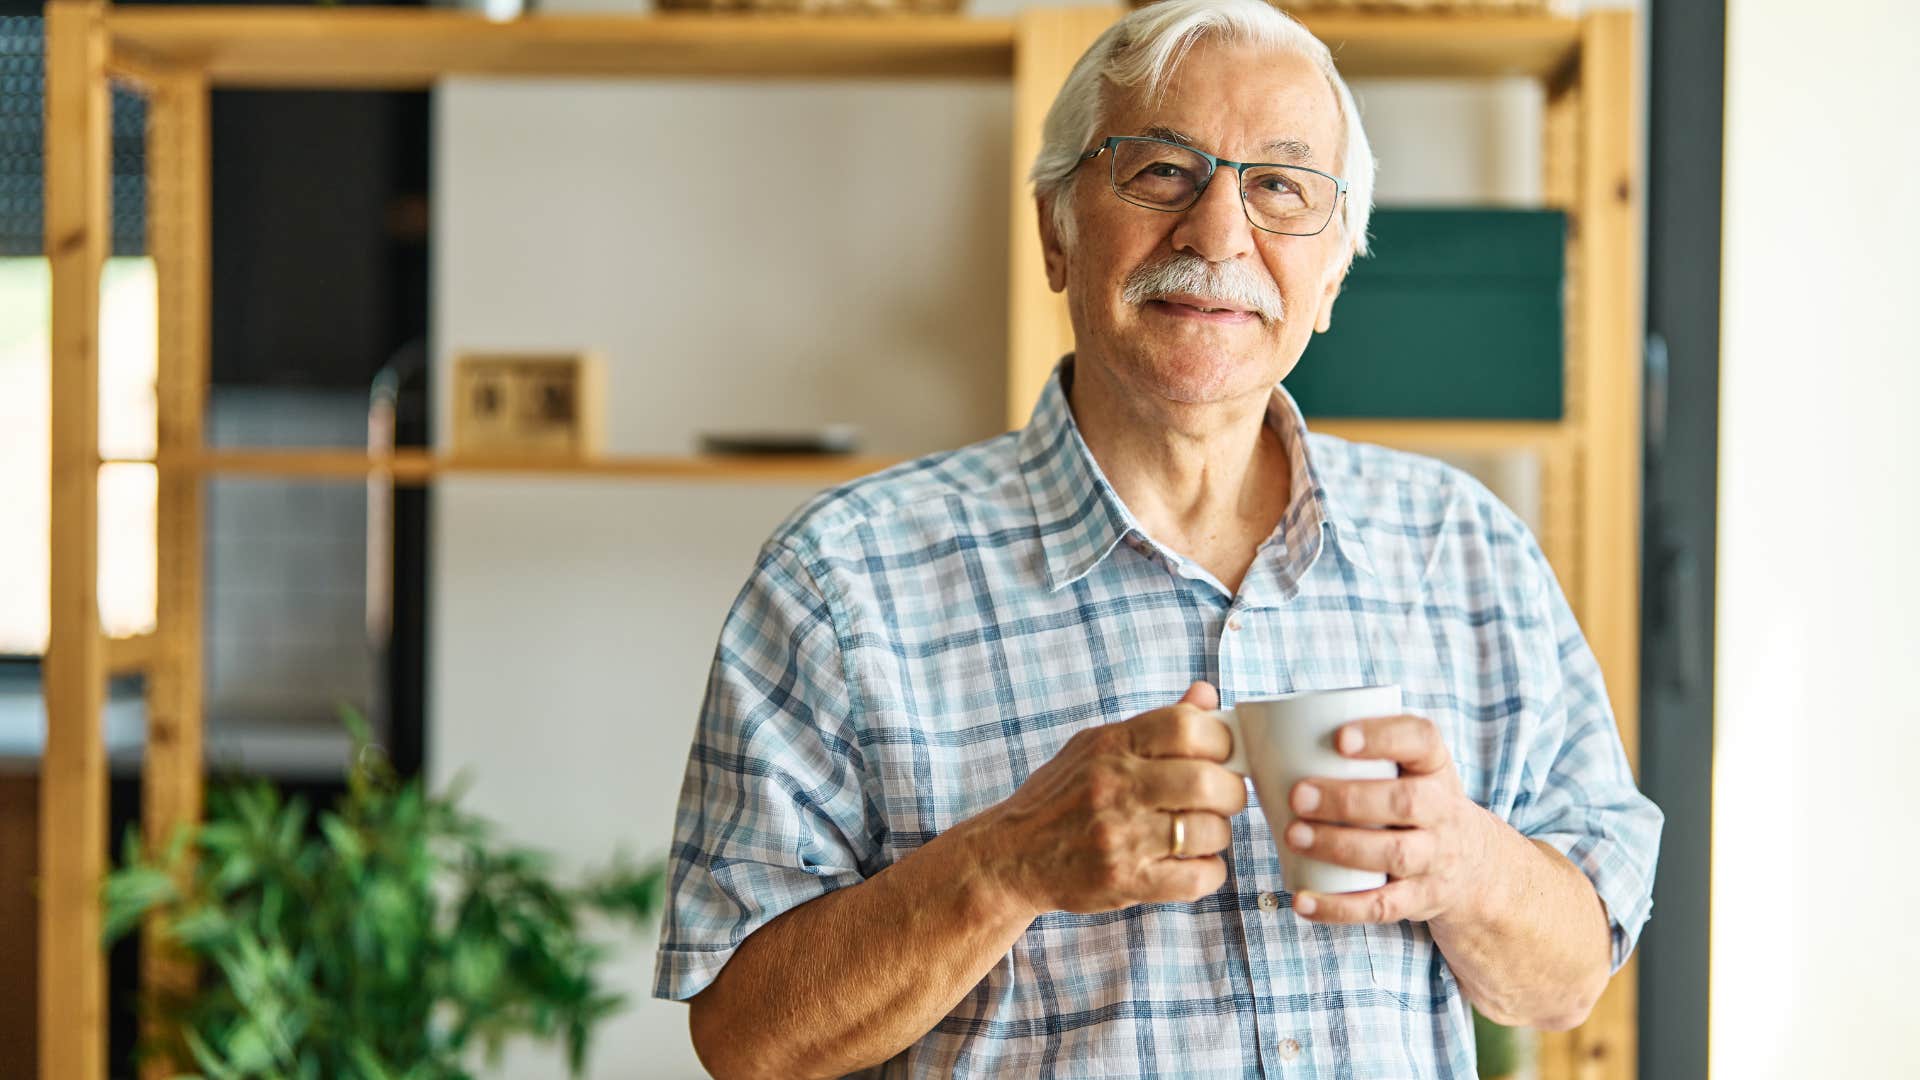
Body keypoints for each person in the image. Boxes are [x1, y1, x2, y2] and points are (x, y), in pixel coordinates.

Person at [653, 0, 1662, 1074]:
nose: (1219, 233)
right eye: (1162, 171)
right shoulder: (840, 578)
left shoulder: (1468, 550)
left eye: (1279, 186)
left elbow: (1570, 976)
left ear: (1332, 277)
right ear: (1057, 229)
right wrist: (1005, 864)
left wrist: (1466, 866)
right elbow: (745, 1036)